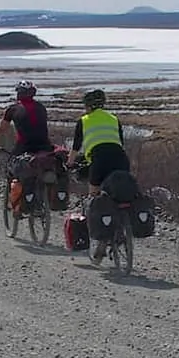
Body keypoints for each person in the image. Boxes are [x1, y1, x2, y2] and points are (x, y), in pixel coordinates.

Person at [66, 89, 131, 264]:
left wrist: (70, 163)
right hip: (121, 159)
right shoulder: (113, 119)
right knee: (119, 195)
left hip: (99, 160)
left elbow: (76, 147)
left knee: (94, 200)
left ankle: (101, 241)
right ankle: (121, 228)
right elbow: (120, 143)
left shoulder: (84, 121)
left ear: (88, 106)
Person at [0, 80, 55, 218]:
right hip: (45, 147)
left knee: (12, 170)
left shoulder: (12, 109)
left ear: (19, 94)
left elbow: (2, 129)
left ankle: (16, 204)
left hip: (23, 147)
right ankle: (40, 200)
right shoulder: (41, 107)